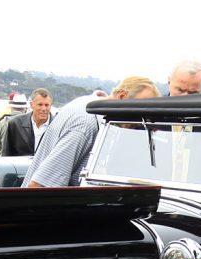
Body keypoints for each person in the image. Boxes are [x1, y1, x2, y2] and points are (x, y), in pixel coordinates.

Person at [24, 77, 158, 188]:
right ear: (122, 96)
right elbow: (39, 186)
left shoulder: (85, 103)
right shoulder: (86, 125)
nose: (139, 123)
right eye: (138, 113)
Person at [2, 88, 53, 157]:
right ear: (32, 105)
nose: (44, 109)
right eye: (40, 105)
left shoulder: (58, 126)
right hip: (21, 167)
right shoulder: (15, 124)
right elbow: (6, 154)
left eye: (47, 105)